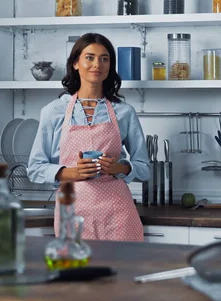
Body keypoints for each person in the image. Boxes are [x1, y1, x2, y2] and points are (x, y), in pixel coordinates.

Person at [28, 33, 150, 242]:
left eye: (104, 59)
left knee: (123, 272)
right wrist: (72, 172)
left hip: (118, 213)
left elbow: (144, 168)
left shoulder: (124, 112)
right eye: (90, 57)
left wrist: (119, 168)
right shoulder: (54, 111)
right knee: (77, 272)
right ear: (75, 63)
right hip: (72, 212)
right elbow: (35, 168)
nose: (97, 65)